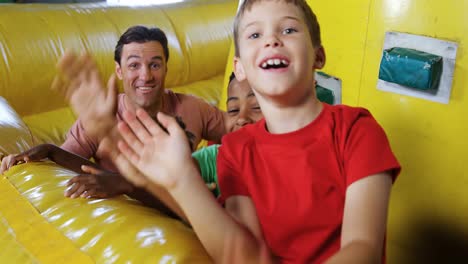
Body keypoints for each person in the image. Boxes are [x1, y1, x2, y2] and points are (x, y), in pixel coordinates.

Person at [112, 0, 401, 263]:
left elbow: (364, 248)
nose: (272, 41)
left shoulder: (356, 130)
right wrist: (181, 181)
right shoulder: (236, 151)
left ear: (318, 55)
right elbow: (243, 255)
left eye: (288, 30)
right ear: (240, 68)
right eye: (254, 35)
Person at [0, 26, 226, 216]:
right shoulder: (100, 115)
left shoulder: (193, 109)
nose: (145, 76)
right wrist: (46, 152)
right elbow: (65, 171)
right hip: (130, 218)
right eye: (134, 66)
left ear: (166, 67)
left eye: (155, 65)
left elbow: (243, 132)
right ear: (119, 71)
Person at [194, 72, 263, 197]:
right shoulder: (216, 157)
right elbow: (160, 179)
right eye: (233, 110)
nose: (241, 118)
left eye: (257, 107)